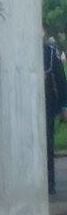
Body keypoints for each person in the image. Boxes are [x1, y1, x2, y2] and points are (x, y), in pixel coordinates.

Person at [44, 38, 66, 194]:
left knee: (47, 144)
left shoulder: (50, 54)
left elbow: (61, 81)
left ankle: (49, 183)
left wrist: (64, 106)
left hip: (47, 106)